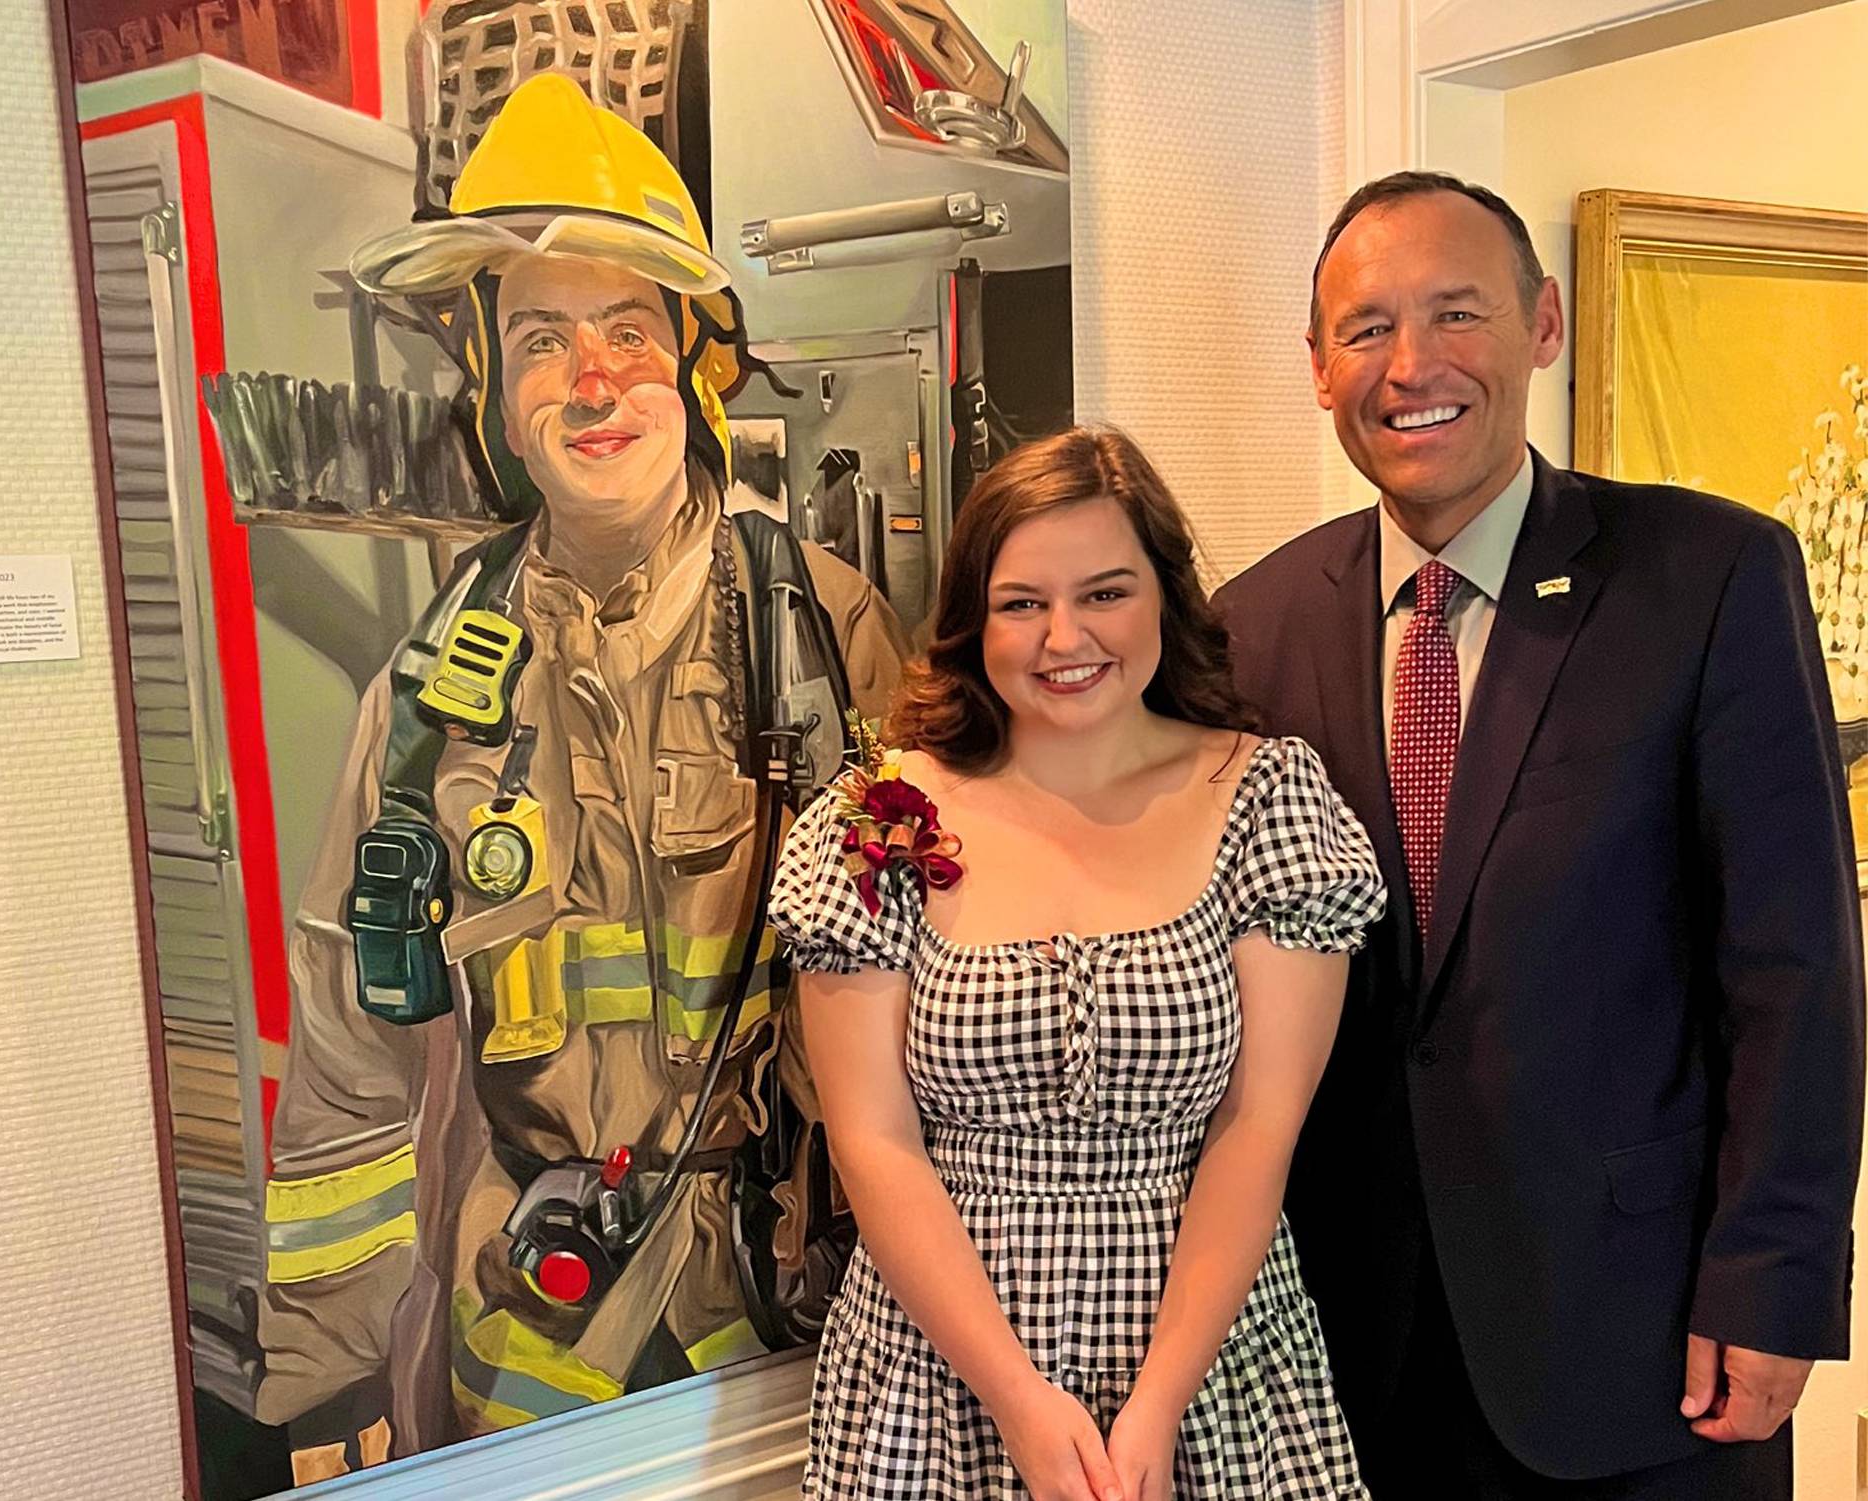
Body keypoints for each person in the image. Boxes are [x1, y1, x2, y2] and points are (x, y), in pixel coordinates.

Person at [253, 76, 907, 1482]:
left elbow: (951, 981)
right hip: (527, 1340)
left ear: (698, 362)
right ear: (492, 381)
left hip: (805, 1323)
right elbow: (345, 1045)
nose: (594, 381)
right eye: (542, 340)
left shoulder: (829, 634)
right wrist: (325, 1376)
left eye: (627, 330)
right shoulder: (429, 694)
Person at [1218, 170, 1864, 1497]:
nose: (1410, 369)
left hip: (1646, 1339)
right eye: (1365, 330)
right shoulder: (1254, 624)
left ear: (1543, 324)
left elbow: (1796, 964)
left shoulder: (1710, 578)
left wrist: (1776, 1278)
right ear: (1317, 364)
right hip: (1353, 1349)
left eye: (1457, 315)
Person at [771, 426, 1387, 1500]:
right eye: (1021, 602)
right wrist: (1016, 1395)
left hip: (1206, 1359)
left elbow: (1258, 1126)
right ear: (973, 617)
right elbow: (873, 1144)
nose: (1065, 637)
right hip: (940, 1367)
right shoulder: (876, 816)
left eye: (1105, 592)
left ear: (1163, 595)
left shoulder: (1265, 798)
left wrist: (1155, 1402)